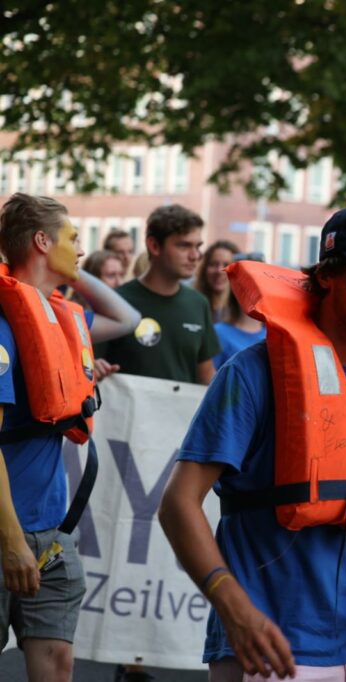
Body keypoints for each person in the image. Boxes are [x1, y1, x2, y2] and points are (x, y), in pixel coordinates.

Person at [159, 205, 346, 682]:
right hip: (270, 646)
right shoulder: (252, 374)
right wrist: (233, 607)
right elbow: (178, 504)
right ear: (327, 275)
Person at [0, 193, 140, 682]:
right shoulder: (4, 325)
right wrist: (11, 541)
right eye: (73, 239)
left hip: (52, 535)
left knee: (58, 665)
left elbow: (126, 319)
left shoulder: (57, 317)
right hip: (7, 532)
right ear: (43, 241)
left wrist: (62, 271)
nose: (82, 249)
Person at [98, 204, 220, 384]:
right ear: (154, 246)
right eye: (184, 246)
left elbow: (206, 376)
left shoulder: (198, 303)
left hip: (184, 403)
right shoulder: (114, 301)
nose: (195, 255)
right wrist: (94, 368)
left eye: (198, 246)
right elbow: (90, 366)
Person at [194, 239, 240, 323]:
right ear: (204, 269)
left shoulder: (244, 314)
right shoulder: (191, 305)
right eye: (213, 264)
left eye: (227, 265)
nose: (219, 271)